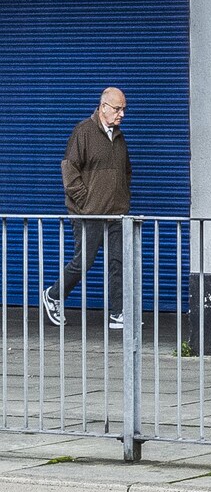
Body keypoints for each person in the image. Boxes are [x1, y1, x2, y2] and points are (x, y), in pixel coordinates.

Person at [42, 88, 131, 332]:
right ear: (103, 107)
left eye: (124, 109)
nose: (122, 114)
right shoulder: (83, 132)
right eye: (117, 108)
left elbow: (126, 173)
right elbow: (69, 172)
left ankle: (118, 313)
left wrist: (122, 197)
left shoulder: (119, 137)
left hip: (115, 213)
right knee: (84, 261)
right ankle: (53, 295)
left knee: (118, 262)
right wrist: (86, 202)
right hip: (88, 213)